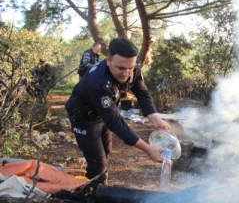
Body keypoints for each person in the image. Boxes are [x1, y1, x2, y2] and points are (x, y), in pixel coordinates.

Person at [65, 37, 171, 181]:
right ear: (108, 61)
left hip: (104, 114)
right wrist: (147, 148)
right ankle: (94, 193)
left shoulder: (132, 67)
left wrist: (154, 116)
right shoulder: (97, 82)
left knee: (106, 152)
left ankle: (101, 185)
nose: (126, 73)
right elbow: (115, 122)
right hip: (84, 118)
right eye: (121, 68)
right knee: (98, 163)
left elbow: (141, 91)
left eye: (130, 68)